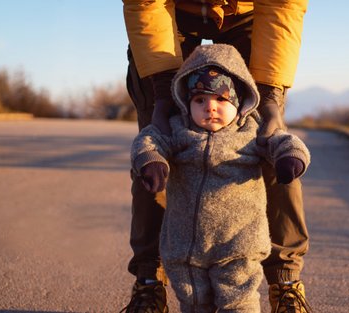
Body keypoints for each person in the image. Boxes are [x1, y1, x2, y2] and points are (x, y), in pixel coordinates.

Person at [122, 1, 311, 312]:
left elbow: (283, 4)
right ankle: (149, 282)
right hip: (166, 14)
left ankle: (286, 281)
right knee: (153, 155)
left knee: (271, 145)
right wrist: (161, 94)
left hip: (256, 11)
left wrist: (271, 98)